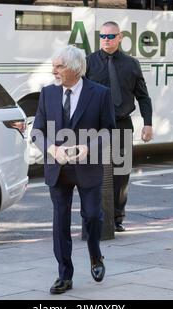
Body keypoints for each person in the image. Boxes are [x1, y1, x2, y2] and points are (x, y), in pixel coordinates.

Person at [32, 45, 116, 294]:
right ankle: (64, 275)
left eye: (59, 66)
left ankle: (95, 255)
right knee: (60, 221)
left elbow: (109, 130)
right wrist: (51, 150)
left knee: (92, 216)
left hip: (88, 166)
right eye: (54, 65)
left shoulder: (100, 94)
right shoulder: (47, 93)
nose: (53, 70)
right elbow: (37, 131)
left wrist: (88, 147)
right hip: (57, 168)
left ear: (76, 68)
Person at [86, 21, 153, 232]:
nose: (106, 40)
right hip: (96, 127)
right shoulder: (88, 62)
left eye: (111, 36)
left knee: (121, 174)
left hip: (122, 124)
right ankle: (94, 216)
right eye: (103, 36)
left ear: (120, 37)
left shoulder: (132, 64)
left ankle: (116, 218)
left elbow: (143, 96)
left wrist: (148, 123)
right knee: (93, 173)